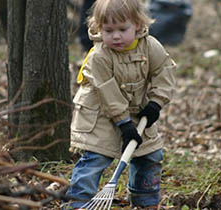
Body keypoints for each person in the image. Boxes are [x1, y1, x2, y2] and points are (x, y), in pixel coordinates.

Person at [64, 0, 176, 209]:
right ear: (99, 28)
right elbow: (108, 93)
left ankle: (145, 201)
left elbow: (165, 71)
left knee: (150, 155)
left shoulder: (150, 46)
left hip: (139, 112)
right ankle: (78, 202)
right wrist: (124, 124)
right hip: (100, 117)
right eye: (108, 30)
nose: (115, 36)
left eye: (123, 29)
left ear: (138, 24)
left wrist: (155, 103)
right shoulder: (98, 56)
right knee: (94, 159)